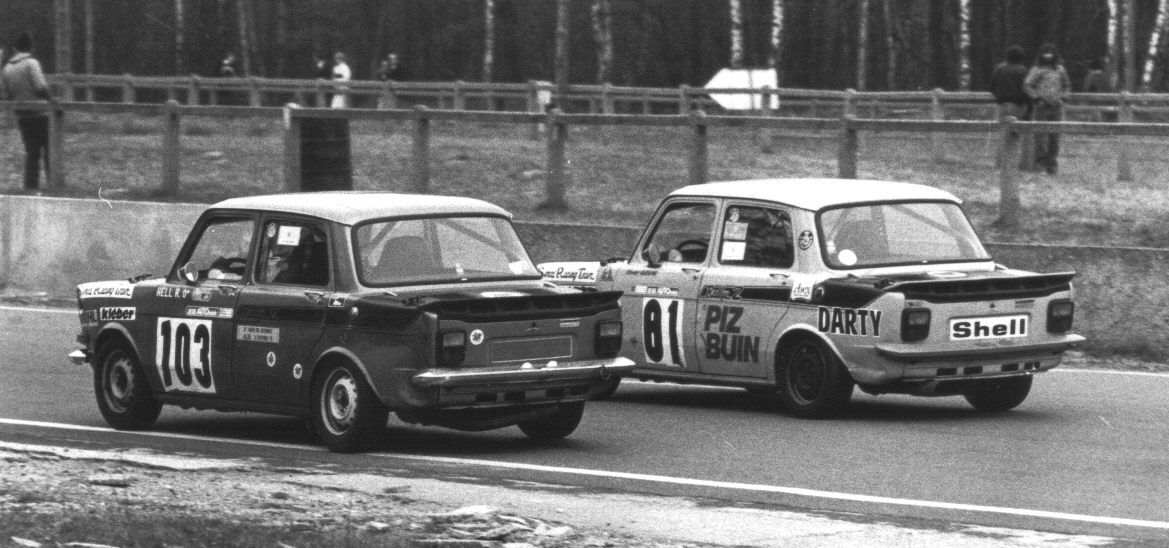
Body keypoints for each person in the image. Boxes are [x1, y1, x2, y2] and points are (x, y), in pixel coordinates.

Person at [0, 32, 51, 192]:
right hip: (40, 113)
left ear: (16, 48)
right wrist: (50, 99)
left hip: (22, 115)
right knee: (49, 150)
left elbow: (6, 94)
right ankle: (53, 183)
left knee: (31, 152)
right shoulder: (31, 63)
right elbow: (40, 87)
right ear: (31, 47)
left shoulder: (7, 68)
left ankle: (30, 186)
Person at [1024, 42, 1072, 175]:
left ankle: (1052, 165)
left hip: (1057, 106)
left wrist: (1063, 98)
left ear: (1054, 54)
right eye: (1045, 53)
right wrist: (1036, 98)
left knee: (1054, 136)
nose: (1048, 56)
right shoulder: (1037, 69)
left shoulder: (1060, 69)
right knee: (1040, 136)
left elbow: (1067, 85)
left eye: (1050, 53)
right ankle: (1040, 164)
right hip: (1041, 106)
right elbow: (1028, 85)